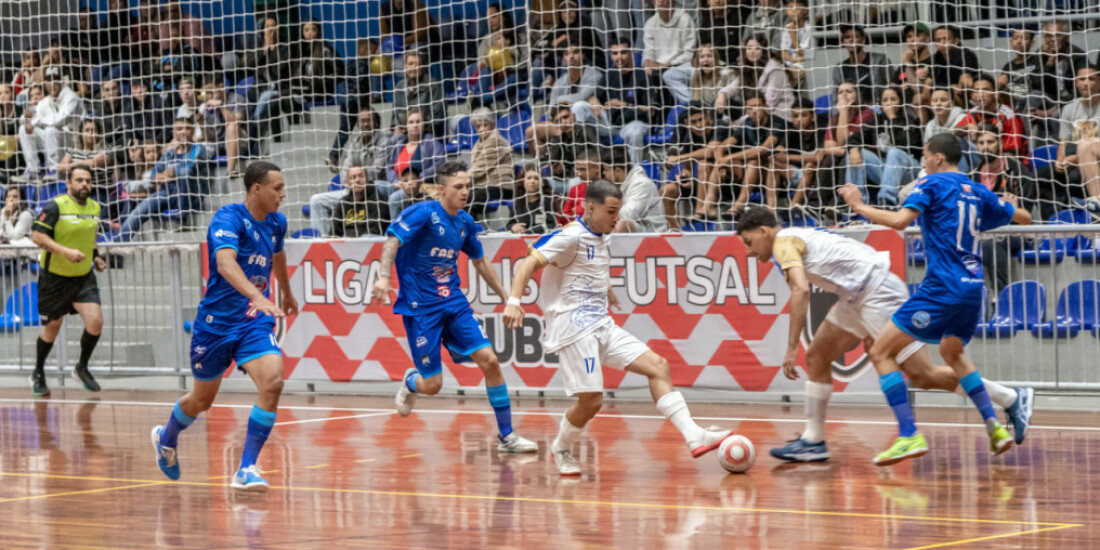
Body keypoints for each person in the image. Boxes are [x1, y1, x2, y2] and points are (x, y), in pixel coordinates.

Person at [735, 208, 1034, 462]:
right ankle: (814, 441)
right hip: (855, 294)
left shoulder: (782, 244)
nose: (749, 251)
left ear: (764, 230)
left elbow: (800, 290)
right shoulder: (794, 236)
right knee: (817, 356)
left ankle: (1009, 397)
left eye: (749, 242)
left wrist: (789, 348)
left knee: (923, 375)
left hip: (876, 291)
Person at [503, 180, 731, 476]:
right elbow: (527, 263)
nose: (616, 218)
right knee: (592, 402)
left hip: (601, 324)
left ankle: (693, 435)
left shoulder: (601, 235)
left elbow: (588, 267)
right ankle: (560, 448)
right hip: (574, 330)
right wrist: (513, 300)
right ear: (590, 207)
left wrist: (606, 288)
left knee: (659, 366)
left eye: (618, 211)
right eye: (611, 211)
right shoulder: (569, 236)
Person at [838, 133, 1033, 465]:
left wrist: (857, 206)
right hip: (973, 288)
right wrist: (1004, 203)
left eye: (924, 156)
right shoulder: (977, 190)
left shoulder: (930, 184)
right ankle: (995, 428)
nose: (922, 162)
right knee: (951, 352)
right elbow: (1025, 218)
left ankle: (908, 434)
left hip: (942, 288)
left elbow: (900, 221)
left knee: (881, 351)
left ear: (938, 158)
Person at [370, 161, 539, 455]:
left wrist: (507, 298)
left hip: (454, 303)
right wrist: (384, 276)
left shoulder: (464, 222)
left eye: (468, 186)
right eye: (458, 186)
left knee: (490, 360)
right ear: (441, 189)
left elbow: (480, 261)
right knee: (433, 385)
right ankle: (412, 381)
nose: (465, 192)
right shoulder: (422, 213)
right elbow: (391, 243)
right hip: (421, 308)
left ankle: (507, 436)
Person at [150, 161, 298, 491]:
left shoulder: (277, 223)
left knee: (273, 380)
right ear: (255, 189)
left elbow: (278, 256)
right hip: (216, 325)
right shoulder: (228, 219)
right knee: (202, 401)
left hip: (253, 323)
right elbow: (224, 262)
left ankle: (246, 468)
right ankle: (167, 437)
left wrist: (285, 292)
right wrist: (255, 295)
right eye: (277, 188)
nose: (283, 194)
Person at [29, 165, 108, 396]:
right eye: (79, 180)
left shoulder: (95, 207)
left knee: (96, 321)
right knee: (52, 328)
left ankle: (81, 367)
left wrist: (96, 257)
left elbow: (91, 236)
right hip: (54, 279)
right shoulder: (56, 206)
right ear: (69, 183)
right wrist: (65, 252)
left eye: (88, 181)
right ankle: (38, 372)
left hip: (83, 278)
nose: (84, 184)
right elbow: (37, 236)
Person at [572, 38, 664, 165]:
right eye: (615, 54)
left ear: (631, 53)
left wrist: (623, 105)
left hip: (635, 123)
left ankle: (633, 172)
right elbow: (595, 96)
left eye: (623, 52)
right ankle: (581, 157)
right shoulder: (610, 75)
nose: (618, 57)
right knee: (579, 106)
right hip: (611, 123)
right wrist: (595, 102)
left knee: (635, 132)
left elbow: (652, 111)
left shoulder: (643, 76)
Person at [116, 117, 209, 241]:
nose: (183, 132)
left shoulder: (198, 148)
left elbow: (188, 169)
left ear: (192, 131)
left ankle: (182, 218)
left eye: (187, 128)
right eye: (179, 129)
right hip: (166, 193)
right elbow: (154, 175)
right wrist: (169, 175)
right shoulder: (169, 154)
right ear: (173, 132)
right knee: (137, 212)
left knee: (184, 173)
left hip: (190, 195)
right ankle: (119, 242)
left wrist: (169, 174)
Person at [18, 67, 85, 180]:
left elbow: (60, 119)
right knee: (23, 129)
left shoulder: (71, 97)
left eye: (55, 79)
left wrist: (34, 122)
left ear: (61, 81)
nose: (52, 84)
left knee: (51, 129)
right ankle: (33, 171)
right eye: (48, 80)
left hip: (75, 144)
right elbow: (26, 119)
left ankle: (55, 170)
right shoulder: (46, 101)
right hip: (56, 145)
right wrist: (27, 117)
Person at [385, 109, 446, 220]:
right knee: (377, 187)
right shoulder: (399, 144)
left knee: (395, 198)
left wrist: (417, 179)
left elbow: (439, 165)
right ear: (406, 125)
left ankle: (394, 233)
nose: (415, 125)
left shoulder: (431, 142)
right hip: (398, 184)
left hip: (419, 187)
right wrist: (396, 181)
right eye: (411, 122)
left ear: (424, 124)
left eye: (418, 122)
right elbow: (389, 167)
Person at [643, 0, 697, 105]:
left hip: (683, 64)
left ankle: (692, 104)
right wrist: (647, 63)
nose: (661, 1)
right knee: (643, 75)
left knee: (669, 75)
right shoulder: (650, 23)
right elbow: (648, 50)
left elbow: (689, 53)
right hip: (658, 66)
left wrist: (668, 64)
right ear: (653, 3)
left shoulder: (684, 19)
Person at [467, 108, 514, 222]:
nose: (481, 129)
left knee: (467, 200)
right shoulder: (480, 142)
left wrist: (458, 180)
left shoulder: (495, 140)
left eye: (485, 125)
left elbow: (479, 170)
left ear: (493, 125)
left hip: (500, 186)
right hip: (484, 185)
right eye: (478, 126)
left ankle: (471, 232)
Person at [606, 146, 667, 232]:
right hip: (641, 229)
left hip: (653, 232)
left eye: (606, 170)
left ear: (617, 171)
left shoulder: (641, 184)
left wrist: (606, 213)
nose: (604, 173)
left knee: (623, 225)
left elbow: (629, 215)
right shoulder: (619, 185)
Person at [830, 24, 891, 106]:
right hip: (852, 114)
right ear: (843, 42)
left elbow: (892, 87)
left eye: (855, 36)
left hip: (878, 110)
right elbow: (835, 99)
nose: (851, 40)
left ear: (863, 40)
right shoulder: (839, 68)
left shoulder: (880, 60)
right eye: (847, 37)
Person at [392, 51, 448, 139]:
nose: (414, 67)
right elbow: (395, 115)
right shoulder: (399, 86)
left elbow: (437, 116)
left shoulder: (433, 85)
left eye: (417, 64)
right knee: (391, 140)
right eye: (410, 64)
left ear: (422, 67)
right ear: (405, 67)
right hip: (405, 132)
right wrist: (397, 127)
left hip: (427, 132)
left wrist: (417, 126)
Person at [332, 165, 388, 238]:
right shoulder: (344, 202)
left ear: (367, 179)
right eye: (353, 177)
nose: (357, 180)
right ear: (348, 183)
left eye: (361, 176)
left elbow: (376, 230)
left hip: (369, 242)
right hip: (347, 244)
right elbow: (335, 232)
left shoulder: (378, 200)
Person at [507, 166, 557, 234]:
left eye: (536, 178)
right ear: (522, 181)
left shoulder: (548, 201)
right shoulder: (517, 202)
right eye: (529, 178)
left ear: (542, 182)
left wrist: (528, 231)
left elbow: (552, 224)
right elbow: (509, 224)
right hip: (520, 239)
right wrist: (513, 227)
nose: (532, 181)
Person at [930, 25, 981, 91]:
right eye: (938, 40)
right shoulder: (935, 58)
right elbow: (929, 83)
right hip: (944, 92)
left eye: (946, 39)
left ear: (956, 41)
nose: (942, 43)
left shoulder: (966, 55)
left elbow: (965, 80)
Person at [779, 0, 812, 89]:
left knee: (787, 75)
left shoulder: (809, 29)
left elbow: (802, 54)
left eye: (797, 8)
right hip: (788, 65)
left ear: (805, 10)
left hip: (803, 66)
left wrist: (792, 34)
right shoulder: (787, 28)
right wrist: (793, 60)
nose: (793, 10)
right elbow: (783, 54)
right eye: (790, 7)